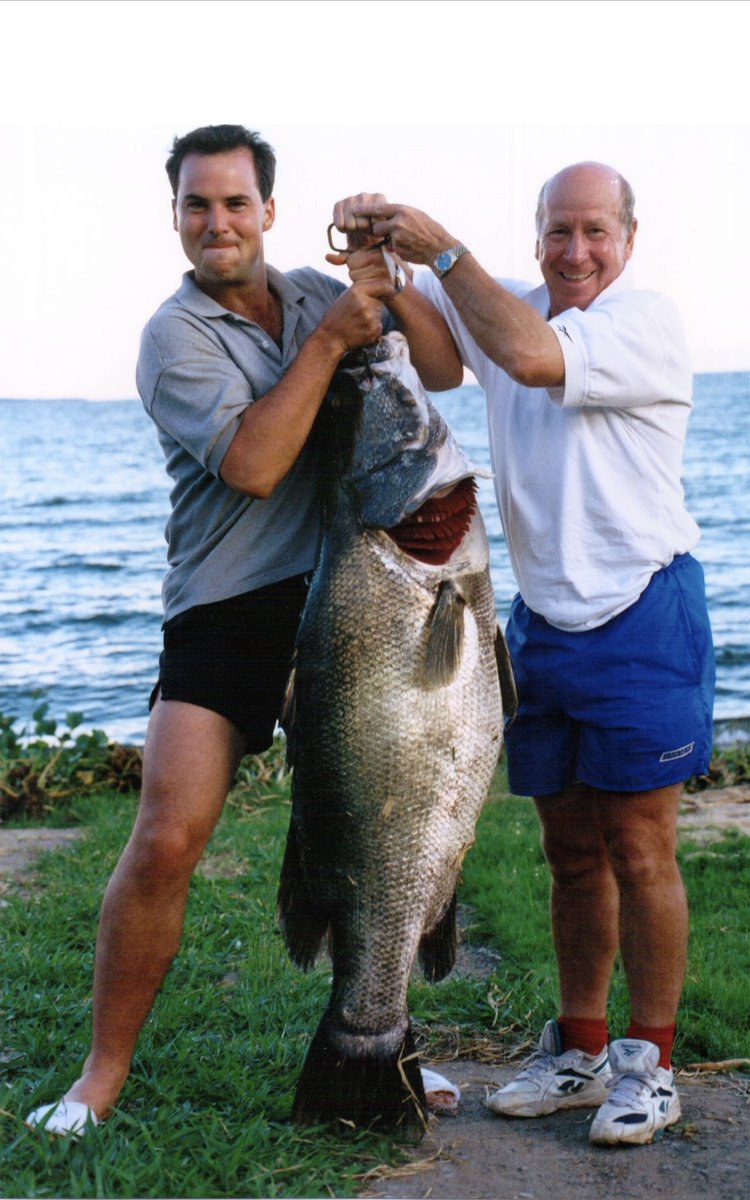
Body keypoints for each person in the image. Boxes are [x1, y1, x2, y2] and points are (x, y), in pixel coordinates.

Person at [25, 124, 462, 1137]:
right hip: (227, 605)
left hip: (355, 594)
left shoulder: (316, 292)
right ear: (175, 215)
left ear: (268, 209)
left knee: (387, 827)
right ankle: (99, 1077)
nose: (215, 222)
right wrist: (330, 341)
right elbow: (255, 466)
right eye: (197, 204)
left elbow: (439, 371)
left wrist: (386, 273)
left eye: (233, 202)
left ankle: (386, 1039)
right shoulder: (172, 337)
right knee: (167, 836)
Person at [332, 162, 715, 1146]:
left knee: (640, 849)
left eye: (593, 231)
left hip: (641, 610)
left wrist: (439, 251)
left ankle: (651, 1064)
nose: (573, 251)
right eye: (556, 230)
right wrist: (385, 268)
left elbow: (530, 356)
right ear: (536, 232)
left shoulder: (642, 322)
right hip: (540, 622)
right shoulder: (509, 304)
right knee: (570, 854)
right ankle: (579, 1048)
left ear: (627, 237)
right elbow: (443, 361)